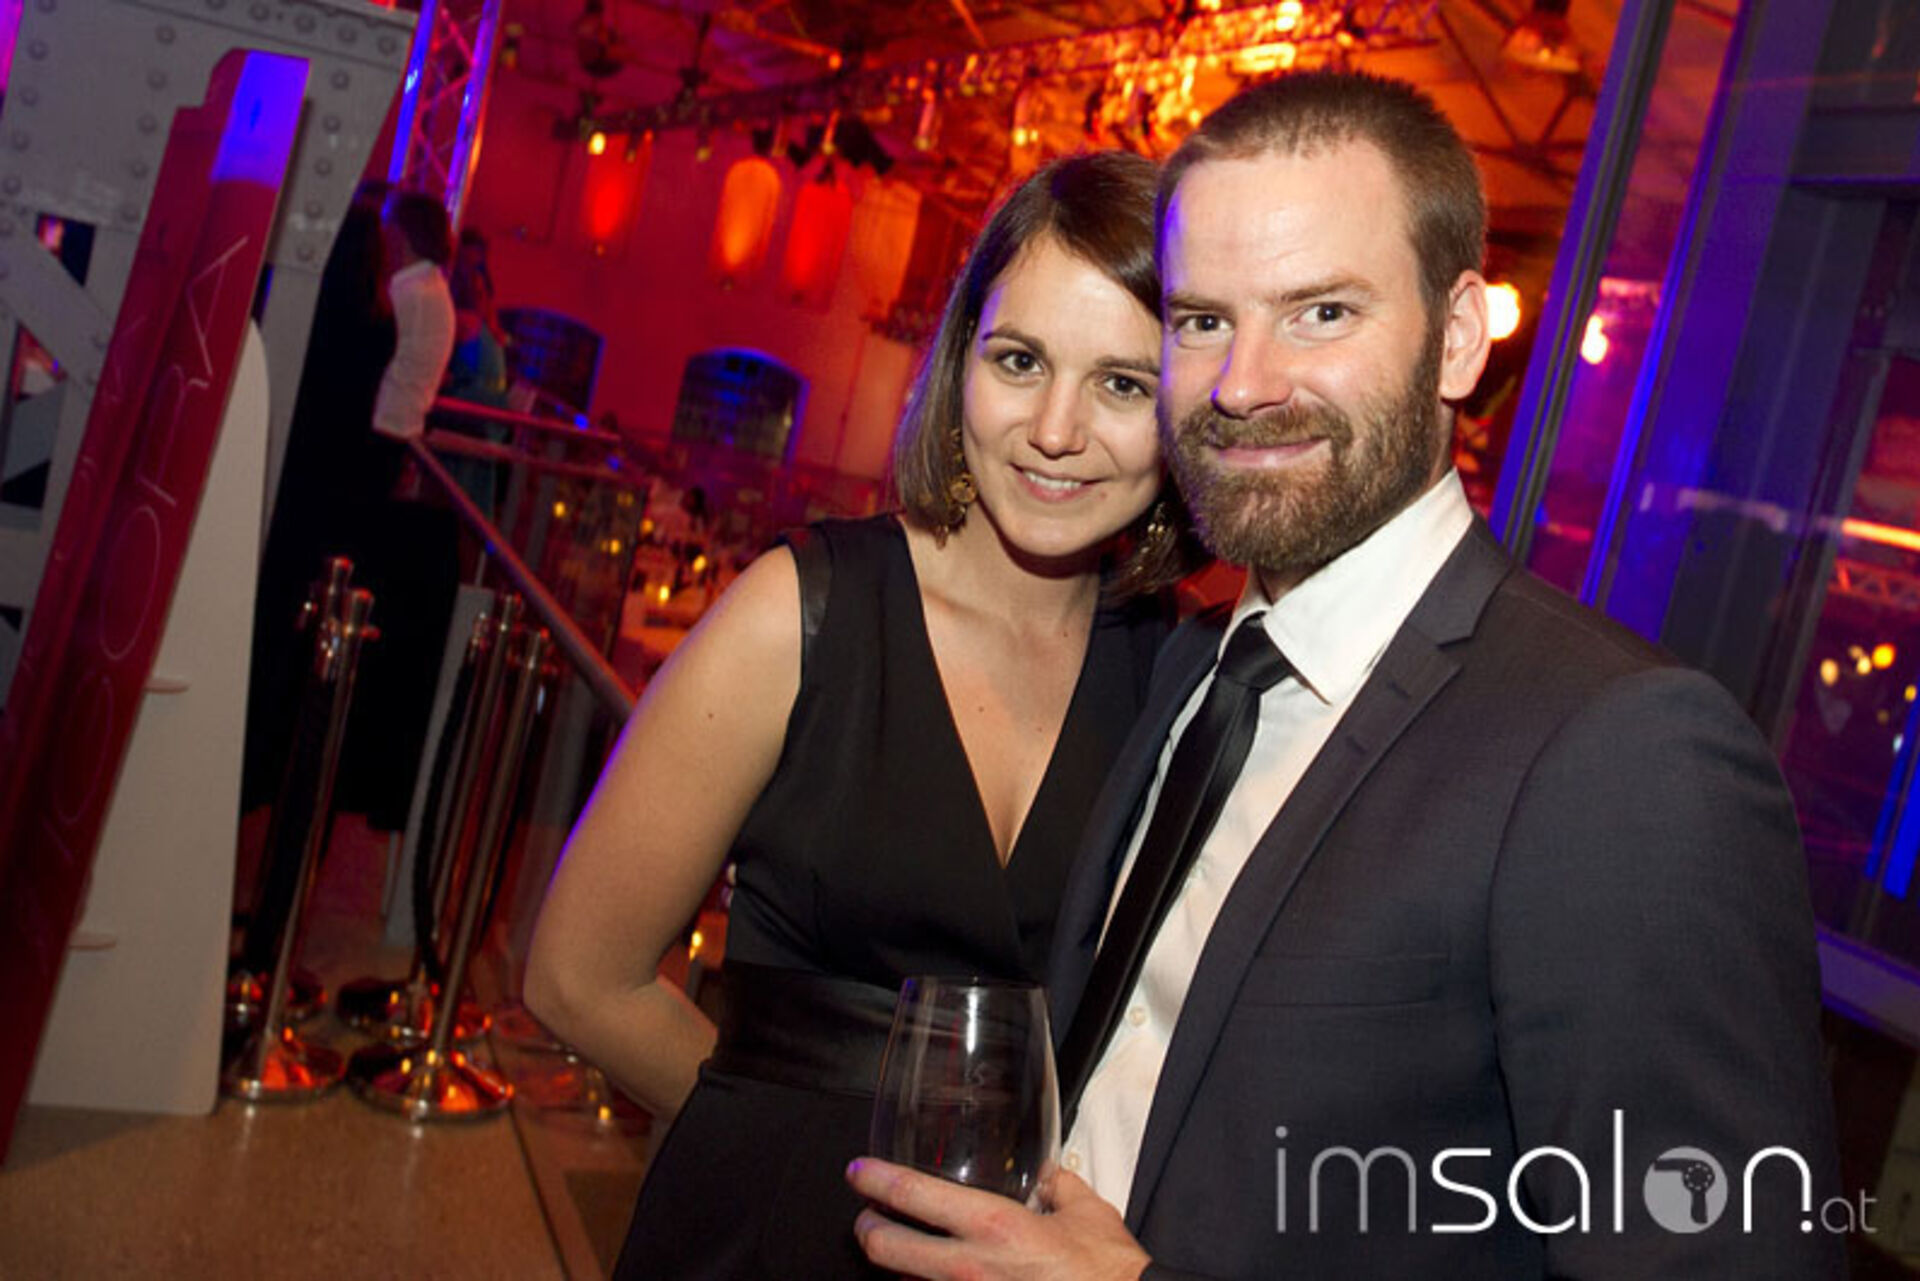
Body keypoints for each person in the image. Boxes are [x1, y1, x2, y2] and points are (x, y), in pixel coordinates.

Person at [849, 70, 1843, 1279]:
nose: (1242, 384)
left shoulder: (1620, 756)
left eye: (1321, 312)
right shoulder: (1195, 669)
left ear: (1458, 338)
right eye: (1202, 321)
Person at [524, 150, 1201, 1279]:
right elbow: (579, 979)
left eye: (1124, 385)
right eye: (1020, 361)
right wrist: (782, 1146)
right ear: (960, 360)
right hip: (761, 1236)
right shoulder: (800, 614)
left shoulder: (1180, 678)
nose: (1055, 427)